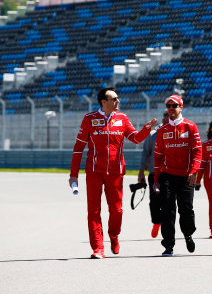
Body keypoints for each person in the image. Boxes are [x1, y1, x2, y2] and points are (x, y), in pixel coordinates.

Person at [69, 87, 157, 259]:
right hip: (94, 171)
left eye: (117, 98)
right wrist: (74, 175)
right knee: (94, 211)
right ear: (104, 101)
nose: (118, 101)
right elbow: (78, 148)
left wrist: (146, 129)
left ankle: (114, 235)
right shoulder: (89, 119)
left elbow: (136, 138)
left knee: (117, 210)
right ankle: (98, 248)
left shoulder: (122, 118)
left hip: (116, 172)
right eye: (114, 99)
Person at [153, 94, 202, 256]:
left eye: (175, 106)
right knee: (167, 210)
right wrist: (156, 179)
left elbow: (197, 151)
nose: (171, 109)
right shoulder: (162, 130)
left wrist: (194, 171)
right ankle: (168, 245)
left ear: (181, 107)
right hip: (167, 175)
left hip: (186, 176)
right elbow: (158, 155)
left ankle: (188, 234)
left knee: (186, 209)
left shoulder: (191, 126)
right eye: (169, 106)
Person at [138, 110, 170, 239]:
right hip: (154, 173)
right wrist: (141, 171)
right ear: (163, 119)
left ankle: (167, 227)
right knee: (155, 201)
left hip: (171, 174)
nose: (169, 120)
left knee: (168, 201)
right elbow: (145, 152)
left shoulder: (178, 133)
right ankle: (156, 222)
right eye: (167, 117)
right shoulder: (152, 135)